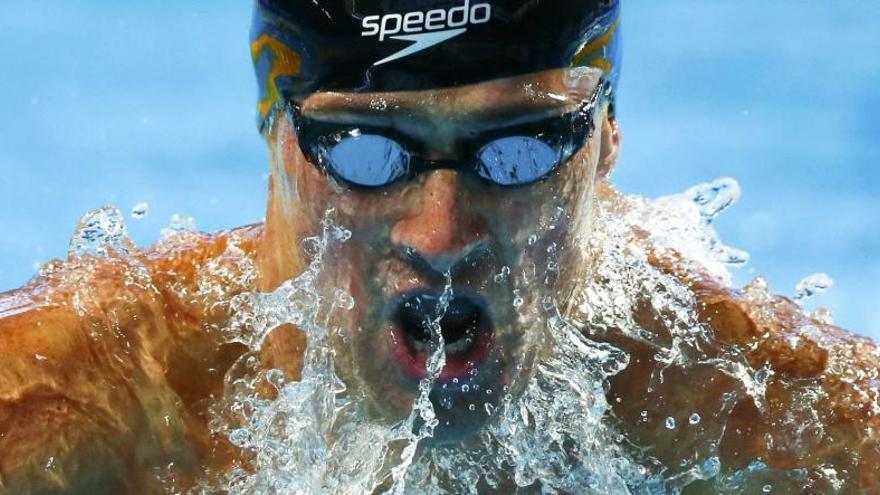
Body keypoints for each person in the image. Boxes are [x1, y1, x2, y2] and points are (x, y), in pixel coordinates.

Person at [0, 1, 877, 493]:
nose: (443, 234)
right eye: (369, 154)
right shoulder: (82, 407)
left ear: (607, 140)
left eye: (522, 147)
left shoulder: (758, 411)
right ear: (276, 136)